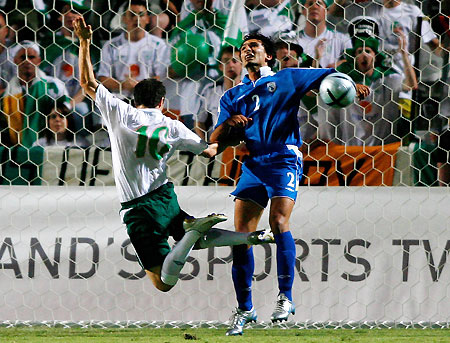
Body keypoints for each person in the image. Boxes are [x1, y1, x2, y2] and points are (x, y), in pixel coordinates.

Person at [74, 17, 274, 292]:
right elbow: (210, 151)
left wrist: (85, 41)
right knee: (195, 239)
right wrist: (234, 137)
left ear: (135, 100)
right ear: (162, 102)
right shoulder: (172, 125)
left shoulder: (121, 112)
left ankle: (192, 230)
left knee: (163, 282)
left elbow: (87, 82)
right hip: (164, 197)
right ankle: (252, 237)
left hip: (136, 206)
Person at [209, 33, 369, 335]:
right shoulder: (232, 96)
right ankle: (245, 309)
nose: (246, 51)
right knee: (240, 236)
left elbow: (330, 77)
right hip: (253, 164)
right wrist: (229, 125)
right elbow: (215, 139)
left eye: (253, 47)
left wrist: (350, 86)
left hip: (284, 157)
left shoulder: (287, 77)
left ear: (269, 56)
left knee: (279, 221)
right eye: (243, 49)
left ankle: (285, 297)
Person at [317, 26, 418, 145]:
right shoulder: (345, 82)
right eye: (359, 51)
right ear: (354, 58)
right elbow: (318, 88)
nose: (364, 54)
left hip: (382, 150)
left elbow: (412, 85)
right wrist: (317, 59)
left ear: (375, 56)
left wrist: (404, 53)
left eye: (368, 51)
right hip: (350, 149)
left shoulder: (387, 79)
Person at [1, 41, 70, 148]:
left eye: (31, 57)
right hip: (15, 145)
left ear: (39, 61)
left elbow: (65, 114)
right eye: (23, 57)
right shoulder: (8, 94)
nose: (27, 61)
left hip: (50, 144)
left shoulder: (53, 86)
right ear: (15, 60)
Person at [97, 0, 169, 101]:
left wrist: (141, 86)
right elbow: (103, 77)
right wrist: (121, 85)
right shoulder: (111, 45)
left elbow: (163, 76)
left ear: (148, 19)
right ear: (124, 19)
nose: (137, 19)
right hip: (119, 100)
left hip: (148, 100)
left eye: (141, 15)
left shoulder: (158, 45)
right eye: (132, 15)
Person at [195, 45, 243, 141]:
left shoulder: (251, 92)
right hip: (218, 147)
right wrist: (206, 145)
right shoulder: (210, 92)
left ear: (243, 65)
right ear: (220, 66)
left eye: (235, 61)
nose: (231, 65)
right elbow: (199, 123)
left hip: (242, 149)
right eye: (226, 61)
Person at [295, 0, 352, 69]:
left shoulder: (342, 39)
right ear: (303, 10)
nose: (314, 6)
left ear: (327, 11)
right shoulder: (294, 41)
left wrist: (339, 65)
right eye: (310, 3)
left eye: (319, 3)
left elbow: (353, 62)